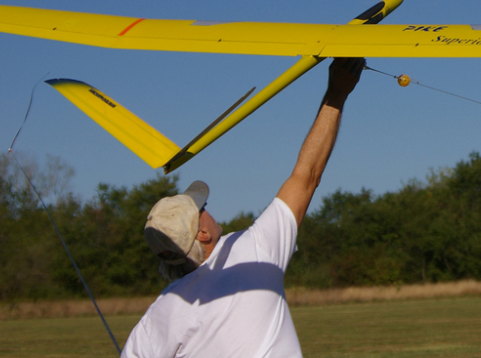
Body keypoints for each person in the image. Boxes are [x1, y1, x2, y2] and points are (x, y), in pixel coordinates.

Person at [121, 57, 365, 358]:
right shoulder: (253, 252)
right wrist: (337, 93)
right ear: (201, 234)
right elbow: (307, 176)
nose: (209, 209)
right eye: (202, 209)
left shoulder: (163, 310)